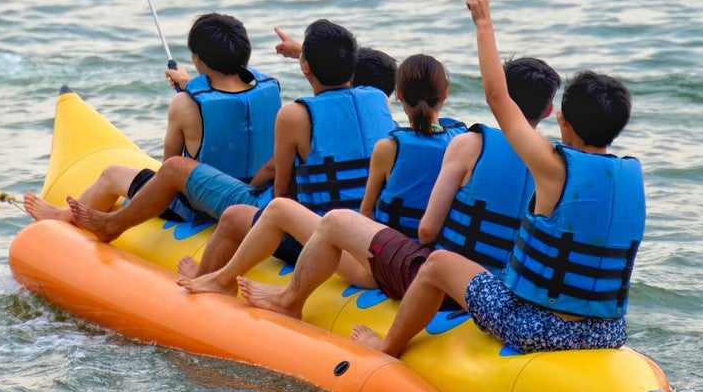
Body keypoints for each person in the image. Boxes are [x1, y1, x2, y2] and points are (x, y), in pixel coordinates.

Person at [353, 0, 644, 357]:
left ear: (562, 119)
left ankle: (387, 346)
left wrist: (484, 23)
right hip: (609, 333)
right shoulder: (631, 178)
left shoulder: (554, 168)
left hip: (538, 328)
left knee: (438, 263)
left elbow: (498, 97)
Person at [221, 55, 561, 318]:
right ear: (548, 111)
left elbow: (412, 227)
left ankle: (264, 293)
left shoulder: (448, 146)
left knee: (289, 210)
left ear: (398, 96)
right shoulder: (552, 167)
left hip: (401, 269)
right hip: (495, 284)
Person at [69, 20, 390, 248]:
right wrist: (301, 53)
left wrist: (192, 92)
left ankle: (103, 224)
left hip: (286, 218)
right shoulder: (376, 99)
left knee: (161, 170)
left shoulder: (293, 115)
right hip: (364, 225)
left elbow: (280, 192)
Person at [177, 52, 461, 296]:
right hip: (428, 262)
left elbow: (365, 216)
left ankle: (229, 282)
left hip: (379, 267)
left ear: (398, 95)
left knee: (280, 209)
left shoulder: (389, 147)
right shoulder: (459, 143)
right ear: (445, 95)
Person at [22, 13, 280, 227]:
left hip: (202, 206)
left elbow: (168, 169)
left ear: (197, 58)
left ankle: (64, 217)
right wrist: (191, 85)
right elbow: (231, 104)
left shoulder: (184, 104)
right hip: (255, 198)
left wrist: (190, 93)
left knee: (111, 174)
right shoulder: (269, 91)